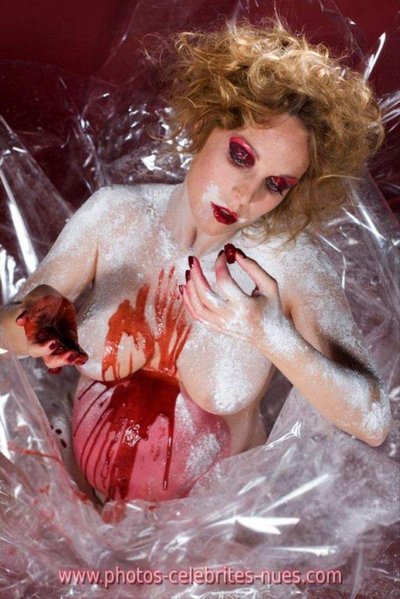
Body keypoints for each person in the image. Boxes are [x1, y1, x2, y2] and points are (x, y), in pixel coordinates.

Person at [0, 20, 391, 503]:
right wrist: (31, 324)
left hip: (210, 534)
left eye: (275, 185)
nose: (245, 194)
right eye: (241, 156)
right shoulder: (114, 215)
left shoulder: (289, 264)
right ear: (206, 124)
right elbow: (6, 336)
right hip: (76, 509)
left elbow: (373, 420)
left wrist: (271, 335)